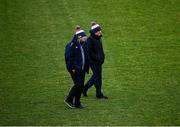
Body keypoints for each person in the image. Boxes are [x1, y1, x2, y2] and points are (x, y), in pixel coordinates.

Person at [64, 25, 89, 108]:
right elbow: (68, 58)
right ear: (79, 37)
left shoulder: (82, 44)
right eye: (84, 37)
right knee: (78, 85)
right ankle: (69, 99)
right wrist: (72, 68)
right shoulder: (71, 45)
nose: (86, 38)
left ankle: (77, 102)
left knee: (81, 86)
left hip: (82, 69)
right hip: (75, 69)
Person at [83, 21, 108, 99]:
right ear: (94, 32)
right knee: (98, 77)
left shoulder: (98, 38)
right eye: (98, 31)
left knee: (96, 76)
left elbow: (100, 50)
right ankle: (98, 94)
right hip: (93, 62)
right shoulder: (90, 40)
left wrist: (102, 56)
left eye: (100, 31)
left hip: (99, 61)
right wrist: (97, 58)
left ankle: (84, 88)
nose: (100, 32)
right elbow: (89, 52)